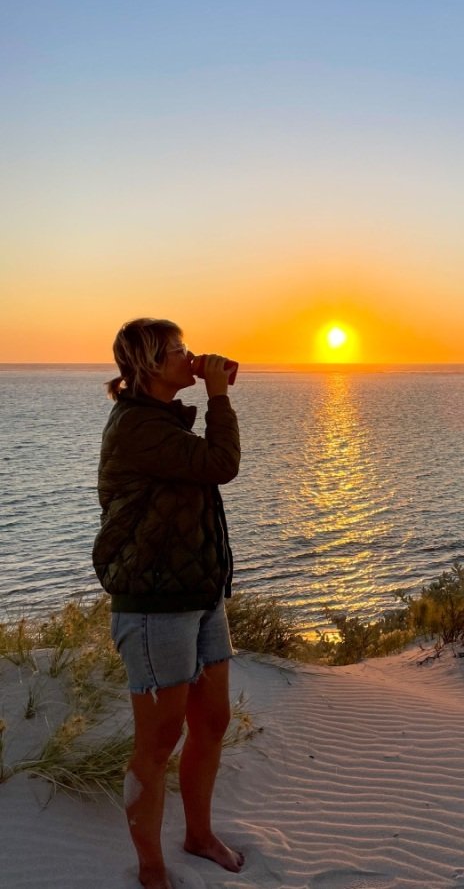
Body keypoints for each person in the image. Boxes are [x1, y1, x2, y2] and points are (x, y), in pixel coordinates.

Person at [93, 318, 244, 889]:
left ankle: (199, 835)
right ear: (151, 365)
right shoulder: (136, 427)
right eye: (179, 351)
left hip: (199, 595)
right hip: (154, 604)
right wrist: (219, 398)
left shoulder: (160, 421)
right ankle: (152, 868)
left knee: (213, 721)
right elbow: (219, 464)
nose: (193, 355)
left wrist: (211, 396)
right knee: (157, 742)